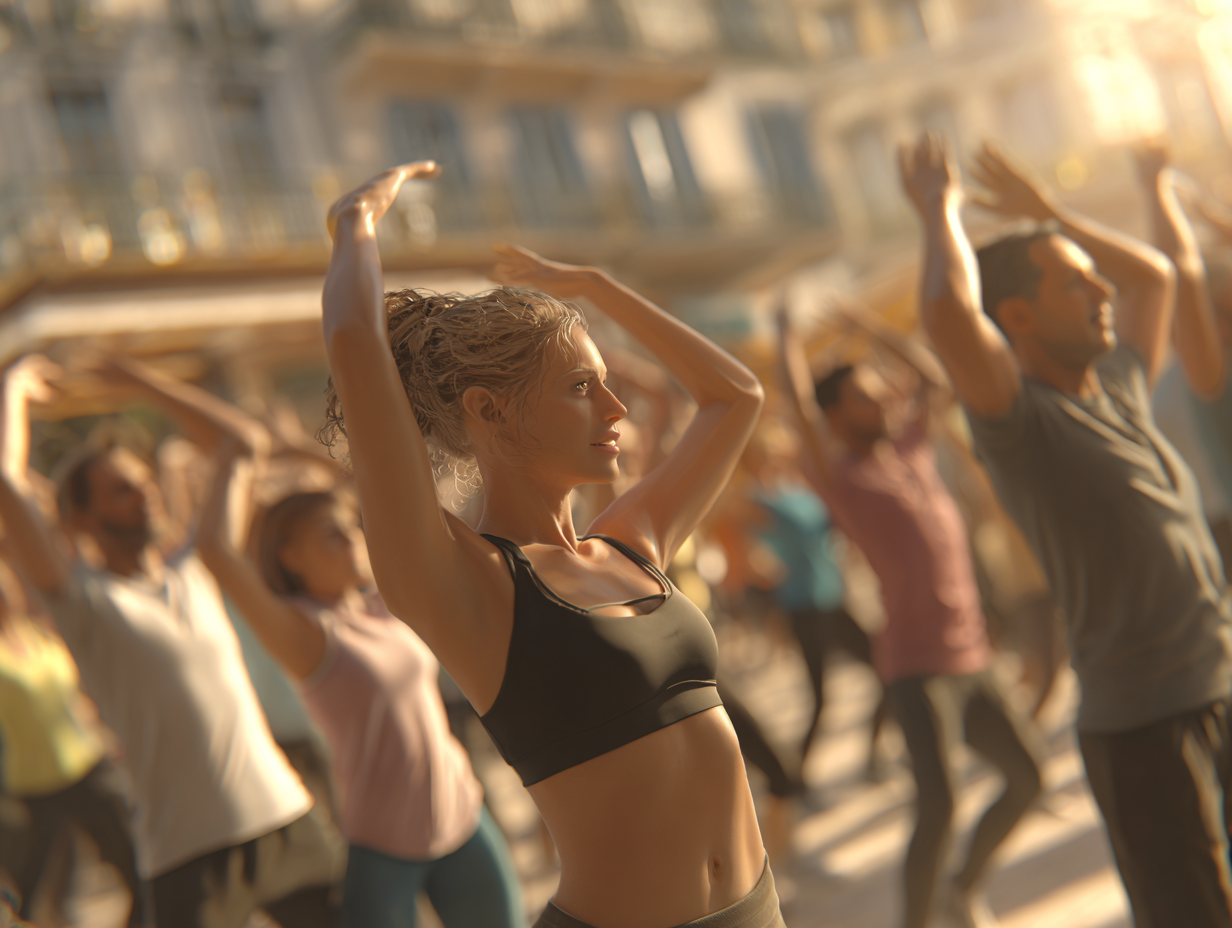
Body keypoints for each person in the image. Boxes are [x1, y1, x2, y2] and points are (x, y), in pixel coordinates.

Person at [321, 162, 779, 928]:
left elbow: (736, 397)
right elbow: (353, 342)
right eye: (580, 387)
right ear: (488, 410)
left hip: (757, 910)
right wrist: (355, 224)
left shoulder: (630, 545)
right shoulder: (463, 583)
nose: (616, 407)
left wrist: (596, 287)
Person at [902, 131, 1232, 926]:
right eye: (1076, 283)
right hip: (1143, 729)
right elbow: (948, 313)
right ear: (1017, 315)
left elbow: (1154, 275)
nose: (1101, 289)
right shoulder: (1021, 423)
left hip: (1219, 686)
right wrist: (940, 210)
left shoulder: (1118, 381)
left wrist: (1051, 214)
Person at [0, 355, 344, 928]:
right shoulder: (82, 602)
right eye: (122, 490)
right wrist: (12, 391)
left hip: (287, 821)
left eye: (143, 481)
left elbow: (242, 443)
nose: (145, 494)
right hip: (188, 855)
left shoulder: (197, 568)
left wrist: (138, 382)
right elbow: (7, 487)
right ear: (80, 518)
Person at [777, 299, 1041, 928]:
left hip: (974, 657)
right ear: (837, 417)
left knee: (1028, 778)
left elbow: (933, 380)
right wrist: (786, 334)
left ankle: (961, 888)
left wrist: (867, 326)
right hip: (918, 670)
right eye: (865, 398)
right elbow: (798, 406)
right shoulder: (840, 476)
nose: (883, 403)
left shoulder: (913, 451)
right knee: (940, 807)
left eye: (880, 393)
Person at [197, 457, 526, 927]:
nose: (352, 537)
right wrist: (239, 452)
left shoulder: (382, 601)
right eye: (331, 533)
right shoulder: (306, 632)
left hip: (462, 817)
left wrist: (305, 454)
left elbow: (389, 492)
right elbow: (215, 551)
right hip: (383, 846)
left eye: (351, 526)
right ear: (291, 556)